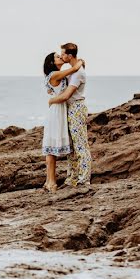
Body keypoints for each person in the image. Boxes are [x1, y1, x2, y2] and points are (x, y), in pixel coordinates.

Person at [48, 42, 92, 187]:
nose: (61, 56)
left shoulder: (78, 73)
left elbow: (66, 95)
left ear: (70, 55)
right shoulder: (73, 70)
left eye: (63, 54)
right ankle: (72, 178)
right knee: (71, 146)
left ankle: (84, 178)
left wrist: (52, 100)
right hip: (69, 108)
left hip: (76, 108)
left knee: (80, 144)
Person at [42, 51, 84, 192]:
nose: (61, 57)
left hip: (58, 109)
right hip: (56, 110)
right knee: (51, 147)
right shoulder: (54, 74)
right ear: (52, 62)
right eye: (57, 57)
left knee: (51, 147)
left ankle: (49, 181)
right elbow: (73, 69)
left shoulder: (57, 74)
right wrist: (79, 62)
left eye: (61, 55)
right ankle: (52, 182)